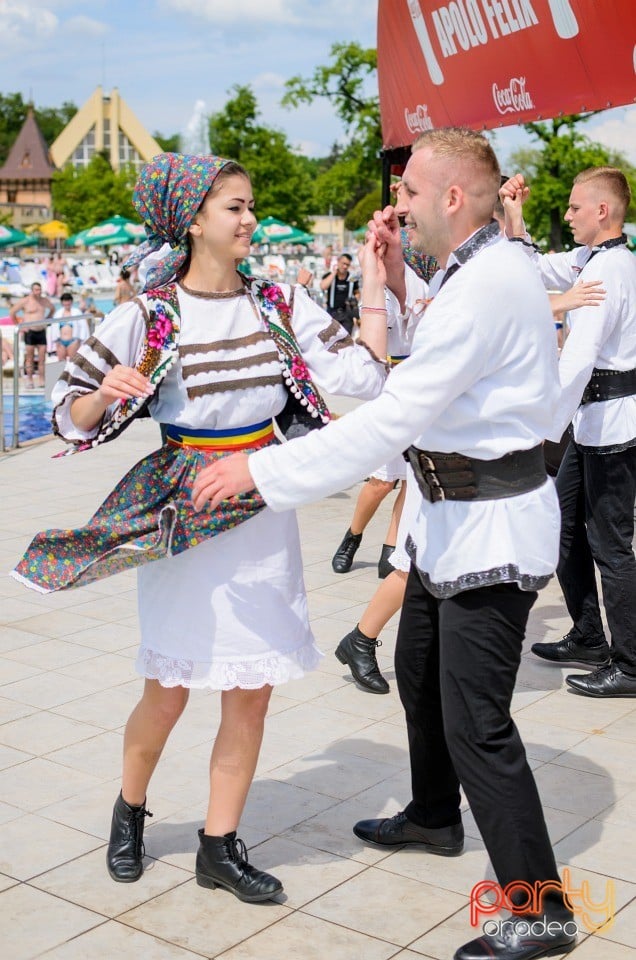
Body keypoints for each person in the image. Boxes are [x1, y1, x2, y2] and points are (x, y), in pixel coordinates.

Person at [193, 128, 577, 960]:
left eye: (408, 193)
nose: (395, 205)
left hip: (492, 527)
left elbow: (396, 412)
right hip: (448, 520)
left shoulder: (488, 285)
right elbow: (429, 357)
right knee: (414, 670)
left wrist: (265, 472)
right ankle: (436, 815)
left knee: (478, 721)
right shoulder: (476, 272)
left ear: (449, 198)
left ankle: (542, 909)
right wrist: (395, 281)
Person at [11, 153, 388, 902]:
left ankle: (219, 846)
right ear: (191, 221)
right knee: (170, 689)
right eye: (234, 208)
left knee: (251, 692)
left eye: (250, 207)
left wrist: (378, 281)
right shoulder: (149, 315)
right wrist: (103, 395)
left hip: (260, 504)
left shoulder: (280, 302)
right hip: (183, 513)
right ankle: (130, 808)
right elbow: (68, 408)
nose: (249, 220)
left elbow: (366, 377)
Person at [501, 167, 636, 698]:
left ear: (602, 211)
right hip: (588, 423)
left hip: (615, 425)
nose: (567, 215)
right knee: (561, 531)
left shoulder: (613, 271)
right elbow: (531, 267)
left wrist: (535, 422)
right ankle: (587, 635)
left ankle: (629, 663)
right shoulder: (589, 260)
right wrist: (515, 211)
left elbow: (578, 357)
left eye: (575, 208)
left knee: (612, 546)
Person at [9, 281, 54, 387]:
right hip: (30, 332)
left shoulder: (44, 301)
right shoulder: (25, 301)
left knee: (42, 358)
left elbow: (52, 309)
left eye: (39, 290)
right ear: (32, 290)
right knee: (29, 358)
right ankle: (29, 380)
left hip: (41, 331)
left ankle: (42, 380)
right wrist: (19, 326)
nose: (38, 292)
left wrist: (48, 319)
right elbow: (12, 312)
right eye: (36, 290)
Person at [319, 252, 360, 335]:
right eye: (343, 263)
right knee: (331, 339)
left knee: (346, 339)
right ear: (338, 262)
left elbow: (357, 292)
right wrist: (334, 273)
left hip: (347, 314)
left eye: (347, 265)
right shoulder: (329, 275)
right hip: (332, 313)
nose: (345, 267)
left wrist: (355, 299)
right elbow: (323, 286)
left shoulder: (352, 278)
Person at [48, 291, 90, 361]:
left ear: (71, 302)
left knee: (73, 363)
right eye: (65, 301)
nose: (67, 303)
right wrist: (56, 341)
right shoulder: (58, 314)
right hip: (60, 341)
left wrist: (79, 340)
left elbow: (83, 327)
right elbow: (53, 328)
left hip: (73, 341)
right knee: (61, 363)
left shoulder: (77, 312)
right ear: (62, 302)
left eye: (68, 301)